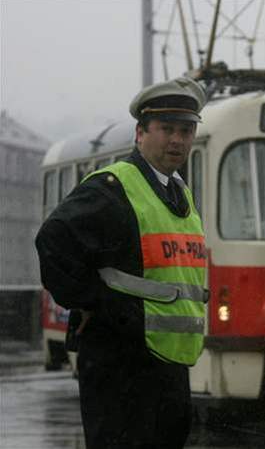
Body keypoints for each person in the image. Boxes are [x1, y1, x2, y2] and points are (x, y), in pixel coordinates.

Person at [35, 76, 208, 449]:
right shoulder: (113, 188)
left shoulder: (179, 193)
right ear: (140, 133)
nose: (177, 140)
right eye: (166, 129)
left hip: (167, 365)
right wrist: (97, 303)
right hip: (123, 366)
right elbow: (53, 241)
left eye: (186, 130)